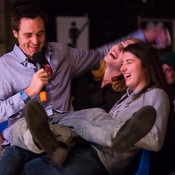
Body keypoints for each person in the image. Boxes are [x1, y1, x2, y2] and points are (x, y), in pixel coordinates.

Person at [0, 3, 171, 174]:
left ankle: (112, 136)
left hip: (65, 134)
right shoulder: (5, 66)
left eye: (40, 33)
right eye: (28, 35)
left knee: (89, 115)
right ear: (15, 33)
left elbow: (100, 53)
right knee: (23, 136)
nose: (35, 41)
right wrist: (27, 93)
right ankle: (40, 138)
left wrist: (145, 35)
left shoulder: (62, 54)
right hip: (21, 139)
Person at [20, 42, 171, 175]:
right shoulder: (126, 96)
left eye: (129, 62)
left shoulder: (156, 94)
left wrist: (122, 133)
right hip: (85, 148)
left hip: (101, 159)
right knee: (25, 166)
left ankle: (52, 125)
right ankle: (53, 134)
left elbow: (155, 140)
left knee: (94, 114)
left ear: (146, 66)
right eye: (122, 63)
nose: (123, 68)